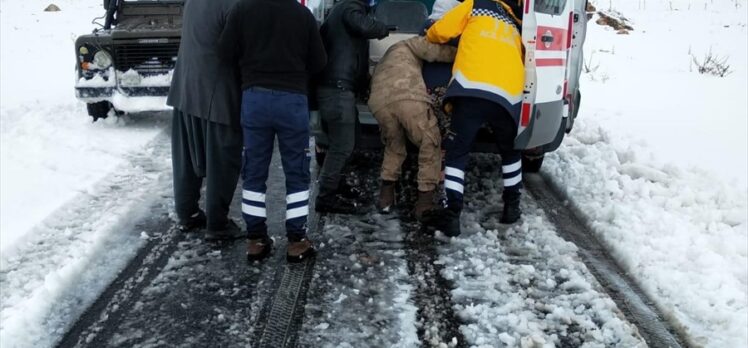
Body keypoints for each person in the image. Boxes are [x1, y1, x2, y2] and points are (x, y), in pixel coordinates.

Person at [218, 0, 327, 262]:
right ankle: (297, 241)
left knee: (254, 170)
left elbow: (224, 53)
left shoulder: (242, 10)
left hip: (254, 98)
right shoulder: (302, 15)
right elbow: (319, 62)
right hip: (292, 100)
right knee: (297, 171)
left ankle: (255, 240)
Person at [425, 0, 525, 236]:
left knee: (457, 152)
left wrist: (430, 33)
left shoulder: (474, 5)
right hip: (508, 96)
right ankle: (512, 207)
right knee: (510, 152)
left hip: (471, 89)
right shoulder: (515, 23)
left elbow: (439, 31)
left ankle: (451, 215)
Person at [167, 0, 243, 242]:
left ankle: (187, 212)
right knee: (222, 160)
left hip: (185, 87)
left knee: (186, 158)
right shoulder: (235, 5)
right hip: (217, 93)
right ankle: (217, 224)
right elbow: (237, 51)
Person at [367, 37, 456, 220]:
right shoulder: (410, 43)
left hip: (379, 103)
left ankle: (386, 198)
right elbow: (436, 52)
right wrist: (461, 53)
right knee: (430, 142)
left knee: (394, 146)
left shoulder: (386, 57)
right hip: (407, 96)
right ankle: (424, 204)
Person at [314, 0, 390, 214]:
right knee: (342, 145)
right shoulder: (349, 8)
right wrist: (384, 28)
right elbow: (364, 26)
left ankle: (338, 184)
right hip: (337, 90)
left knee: (353, 138)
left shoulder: (345, 10)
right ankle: (326, 197)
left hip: (339, 89)